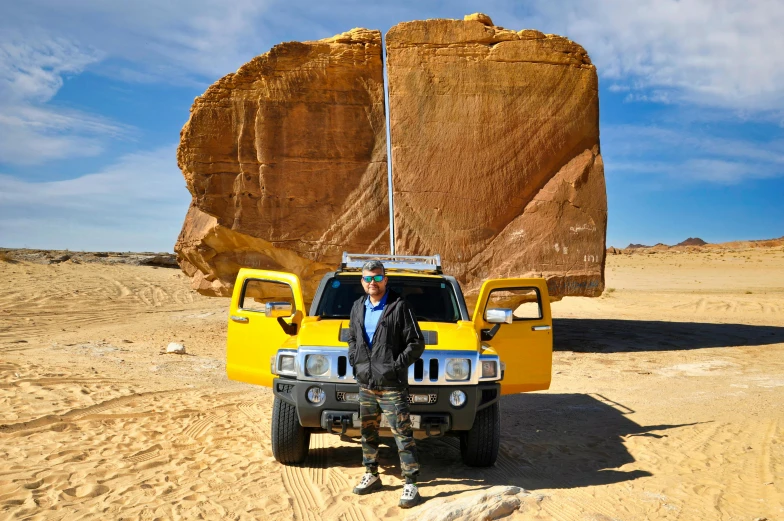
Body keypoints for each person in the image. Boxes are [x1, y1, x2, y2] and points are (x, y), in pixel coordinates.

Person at [346, 260, 425, 508]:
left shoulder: (400, 306)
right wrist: (356, 363)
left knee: (402, 434)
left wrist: (395, 367)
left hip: (392, 386)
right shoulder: (358, 307)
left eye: (377, 278)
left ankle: (410, 484)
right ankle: (372, 475)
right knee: (367, 433)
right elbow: (352, 339)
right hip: (366, 384)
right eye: (368, 278)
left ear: (385, 280)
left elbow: (416, 343)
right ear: (362, 281)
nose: (373, 283)